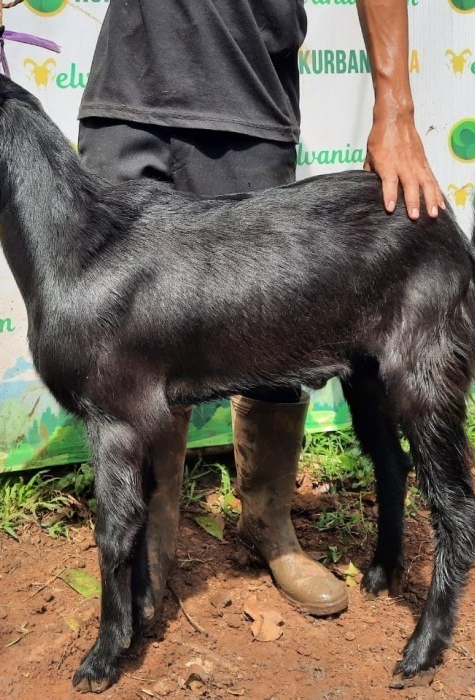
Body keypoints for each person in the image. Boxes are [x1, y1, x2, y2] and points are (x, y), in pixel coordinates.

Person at [77, 0, 443, 621]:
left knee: (272, 331)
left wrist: (395, 108)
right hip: (127, 91)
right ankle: (149, 532)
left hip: (249, 96)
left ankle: (268, 520)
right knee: (124, 345)